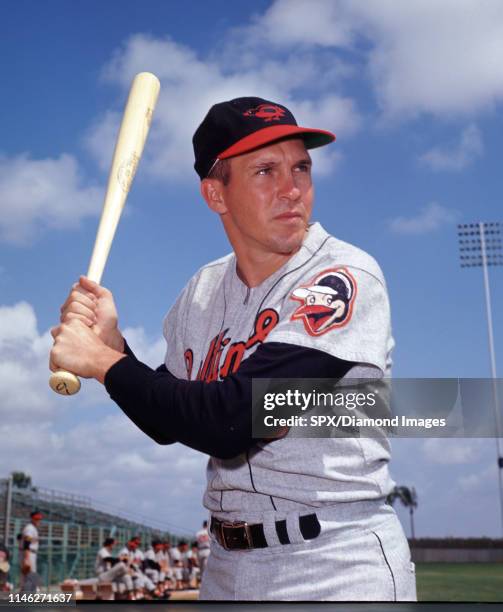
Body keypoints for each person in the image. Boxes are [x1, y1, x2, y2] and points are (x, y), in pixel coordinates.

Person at [50, 96, 416, 601]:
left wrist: (102, 362)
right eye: (266, 170)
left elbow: (233, 419)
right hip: (226, 567)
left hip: (333, 561)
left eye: (301, 168)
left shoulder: (341, 276)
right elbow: (167, 417)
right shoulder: (200, 293)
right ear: (215, 195)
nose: (293, 189)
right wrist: (116, 350)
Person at [19, 510, 42, 593]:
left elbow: (20, 538)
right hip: (28, 553)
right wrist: (26, 558)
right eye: (36, 519)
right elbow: (26, 543)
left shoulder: (32, 528)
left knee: (27, 576)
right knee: (30, 576)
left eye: (39, 519)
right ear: (32, 519)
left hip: (29, 553)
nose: (38, 520)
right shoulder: (30, 528)